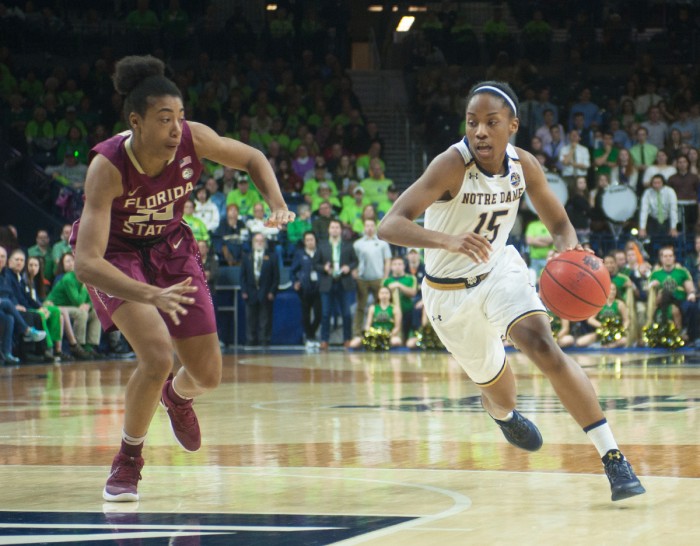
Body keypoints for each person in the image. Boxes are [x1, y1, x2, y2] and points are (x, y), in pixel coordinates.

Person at [378, 80, 645, 502]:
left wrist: (570, 255)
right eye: (472, 123)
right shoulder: (450, 165)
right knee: (501, 394)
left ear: (512, 126)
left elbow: (559, 226)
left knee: (542, 345)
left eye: (490, 123)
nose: (480, 131)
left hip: (499, 268)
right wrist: (447, 240)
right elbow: (389, 224)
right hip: (449, 296)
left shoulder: (525, 166)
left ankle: (613, 458)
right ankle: (501, 413)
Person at [71, 55, 294, 502]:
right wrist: (149, 294)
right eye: (164, 119)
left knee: (208, 375)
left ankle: (177, 397)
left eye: (180, 117)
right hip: (117, 256)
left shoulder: (194, 140)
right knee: (156, 357)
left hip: (170, 247)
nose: (177, 128)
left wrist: (276, 202)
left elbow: (252, 157)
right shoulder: (108, 166)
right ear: (136, 121)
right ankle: (128, 460)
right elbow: (86, 263)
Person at [315, 219, 357, 350]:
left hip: (343, 282)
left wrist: (348, 268)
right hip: (327, 282)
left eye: (337, 227)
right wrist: (324, 268)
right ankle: (324, 340)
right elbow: (315, 264)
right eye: (332, 227)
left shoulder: (348, 245)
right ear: (328, 230)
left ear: (341, 230)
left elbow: (355, 261)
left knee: (346, 313)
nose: (334, 230)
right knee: (326, 313)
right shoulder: (322, 245)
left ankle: (347, 339)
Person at [351, 218, 391, 342]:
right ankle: (357, 333)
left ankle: (378, 332)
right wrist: (354, 272)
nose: (369, 228)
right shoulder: (357, 244)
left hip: (378, 278)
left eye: (371, 225)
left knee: (379, 307)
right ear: (364, 227)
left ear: (375, 227)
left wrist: (385, 276)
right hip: (362, 279)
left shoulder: (382, 243)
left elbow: (388, 260)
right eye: (367, 225)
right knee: (360, 307)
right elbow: (353, 261)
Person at [239, 233, 279, 347]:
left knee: (265, 319)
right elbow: (242, 277)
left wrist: (272, 291)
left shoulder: (272, 257)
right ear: (253, 243)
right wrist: (244, 291)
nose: (259, 243)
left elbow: (276, 277)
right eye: (257, 240)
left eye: (261, 240)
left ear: (265, 243)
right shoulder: (246, 257)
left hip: (266, 293)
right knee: (250, 319)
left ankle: (264, 340)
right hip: (250, 292)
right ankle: (251, 340)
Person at [290, 231, 321, 349]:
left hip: (318, 287)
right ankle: (309, 338)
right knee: (306, 315)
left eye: (311, 239)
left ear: (315, 240)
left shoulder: (320, 252)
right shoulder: (300, 254)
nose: (309, 242)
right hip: (305, 288)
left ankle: (310, 334)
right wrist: (295, 283)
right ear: (304, 242)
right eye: (307, 240)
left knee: (319, 315)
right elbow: (292, 271)